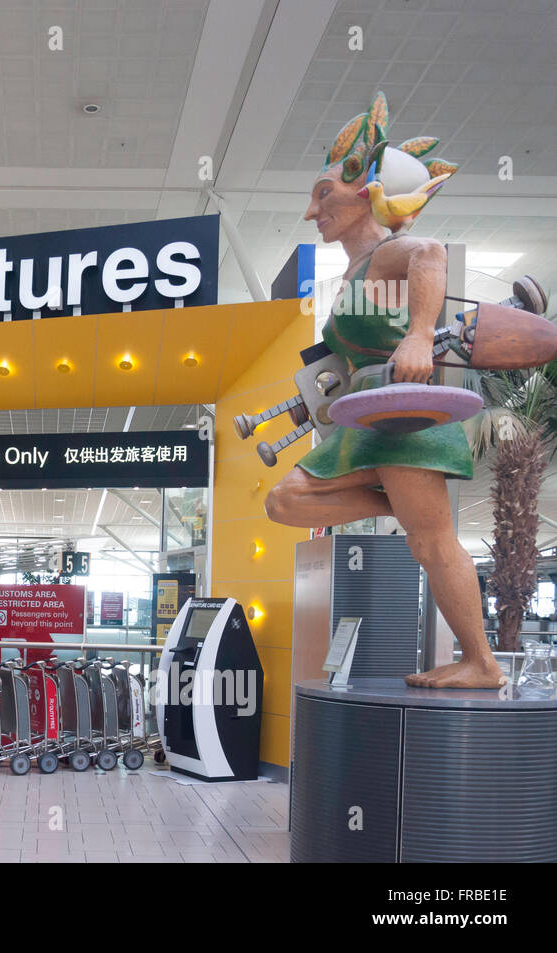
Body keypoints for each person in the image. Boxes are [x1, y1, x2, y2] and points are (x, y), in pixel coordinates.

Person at [264, 91, 503, 690]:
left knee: (431, 542)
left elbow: (430, 252)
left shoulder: (386, 254)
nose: (312, 211)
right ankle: (398, 510)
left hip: (404, 414)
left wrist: (421, 335)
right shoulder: (354, 271)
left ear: (364, 191)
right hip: (366, 420)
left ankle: (480, 662)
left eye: (324, 195)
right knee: (285, 502)